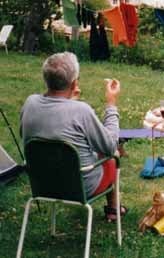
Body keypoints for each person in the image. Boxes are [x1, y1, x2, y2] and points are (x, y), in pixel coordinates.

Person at [20, 52, 125, 221]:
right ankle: (113, 208)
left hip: (42, 184)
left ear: (46, 80)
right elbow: (110, 145)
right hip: (81, 188)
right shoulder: (81, 111)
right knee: (111, 157)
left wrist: (70, 101)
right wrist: (111, 104)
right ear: (74, 82)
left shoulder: (30, 103)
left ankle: (113, 208)